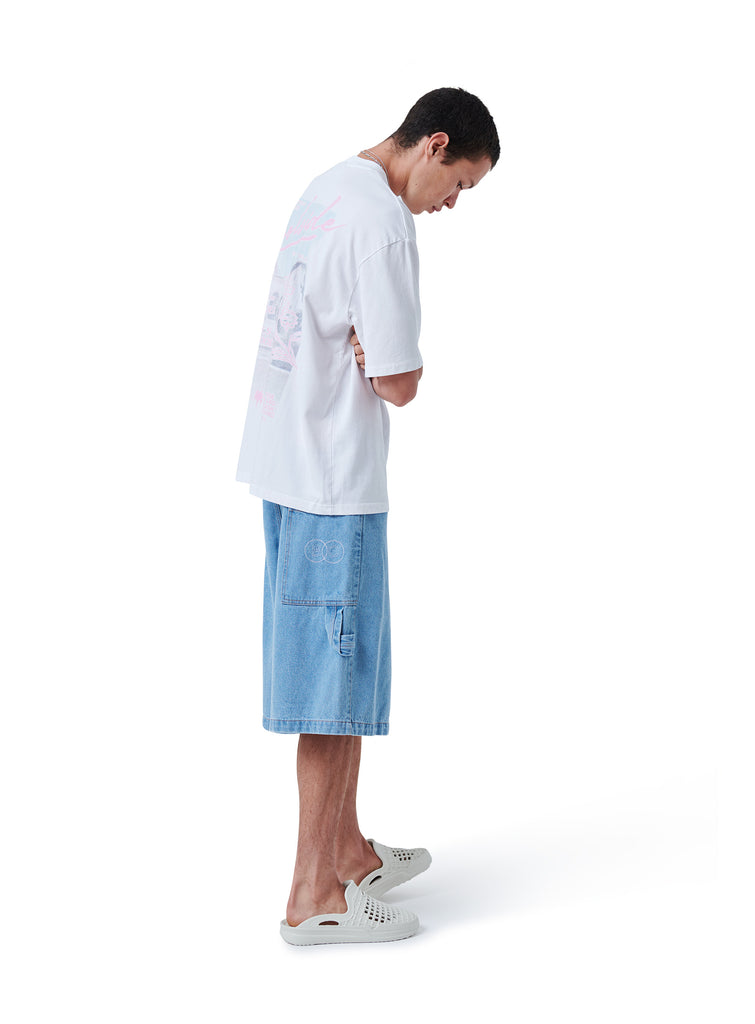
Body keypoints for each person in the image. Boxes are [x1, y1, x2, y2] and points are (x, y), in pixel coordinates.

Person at [236, 87, 499, 945]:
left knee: (341, 681)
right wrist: (386, 360)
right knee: (329, 689)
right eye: (459, 184)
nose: (451, 205)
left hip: (288, 462)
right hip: (331, 480)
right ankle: (313, 896)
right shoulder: (383, 223)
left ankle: (347, 854)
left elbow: (353, 343)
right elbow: (398, 382)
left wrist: (368, 349)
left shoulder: (331, 186)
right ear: (434, 144)